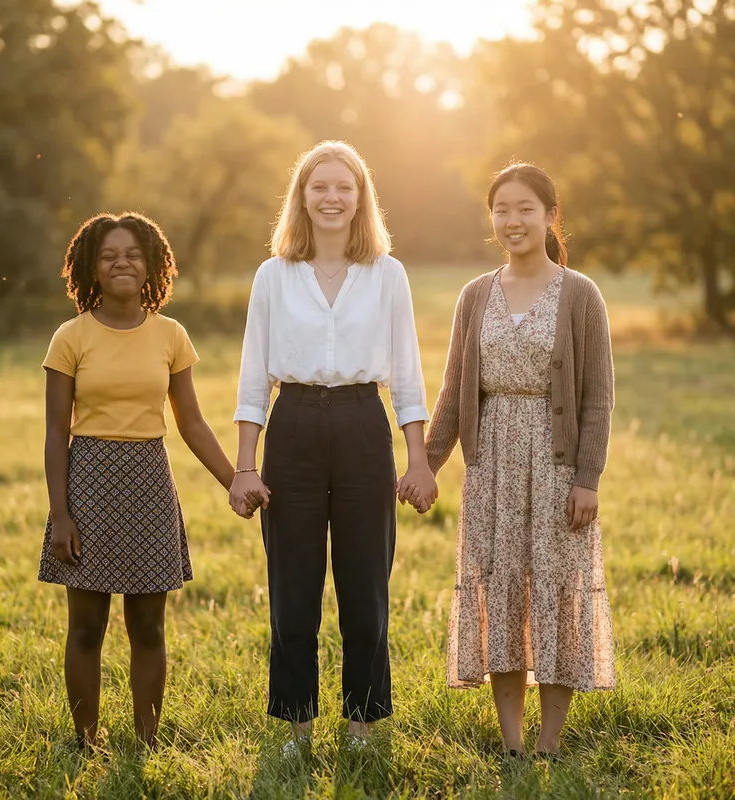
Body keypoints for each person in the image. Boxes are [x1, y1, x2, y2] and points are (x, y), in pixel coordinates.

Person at [229, 140, 437, 753]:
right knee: (293, 590)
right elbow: (251, 379)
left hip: (361, 426)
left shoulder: (387, 273)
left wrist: (418, 459)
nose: (331, 197)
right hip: (291, 426)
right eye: (319, 186)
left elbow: (406, 372)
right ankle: (297, 727)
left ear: (360, 198)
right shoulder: (274, 275)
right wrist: (245, 465)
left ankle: (361, 726)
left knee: (365, 586)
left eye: (344, 187)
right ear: (301, 197)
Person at [418, 163, 616, 759]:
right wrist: (426, 461)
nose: (512, 220)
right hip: (492, 468)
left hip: (557, 469)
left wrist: (587, 478)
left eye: (525, 208)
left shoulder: (580, 294)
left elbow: (599, 394)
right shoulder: (475, 295)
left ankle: (550, 743)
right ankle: (512, 744)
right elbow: (455, 389)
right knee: (500, 593)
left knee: (556, 593)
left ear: (550, 215)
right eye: (501, 209)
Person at [39, 212, 236, 748]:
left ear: (151, 264)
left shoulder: (170, 335)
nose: (121, 262)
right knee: (86, 628)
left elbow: (191, 422)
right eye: (108, 256)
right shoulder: (70, 337)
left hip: (150, 484)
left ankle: (147, 741)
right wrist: (61, 513)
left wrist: (235, 480)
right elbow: (57, 433)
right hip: (87, 485)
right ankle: (85, 740)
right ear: (91, 268)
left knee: (148, 626)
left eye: (132, 254)